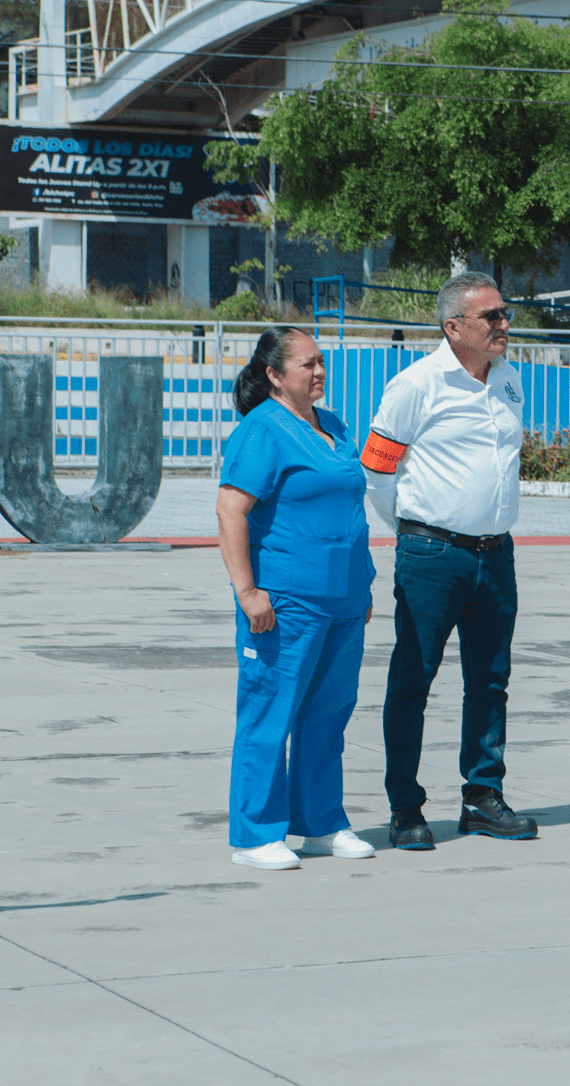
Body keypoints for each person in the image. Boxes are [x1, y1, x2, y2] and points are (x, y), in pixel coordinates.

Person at [362, 271, 539, 851]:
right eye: (490, 317)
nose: (503, 325)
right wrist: (415, 529)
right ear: (453, 326)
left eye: (504, 314)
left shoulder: (509, 381)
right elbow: (376, 469)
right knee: (413, 680)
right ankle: (405, 807)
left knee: (491, 681)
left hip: (496, 555)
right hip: (432, 555)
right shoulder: (416, 385)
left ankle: (483, 797)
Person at [216, 327, 377, 870]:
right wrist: (247, 591)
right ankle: (255, 834)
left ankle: (321, 823)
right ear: (275, 375)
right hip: (285, 602)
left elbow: (349, 510)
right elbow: (231, 511)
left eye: (321, 362)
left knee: (328, 716)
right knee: (269, 713)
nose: (319, 372)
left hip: (344, 601)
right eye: (307, 365)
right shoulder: (262, 430)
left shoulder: (332, 425)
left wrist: (363, 585)